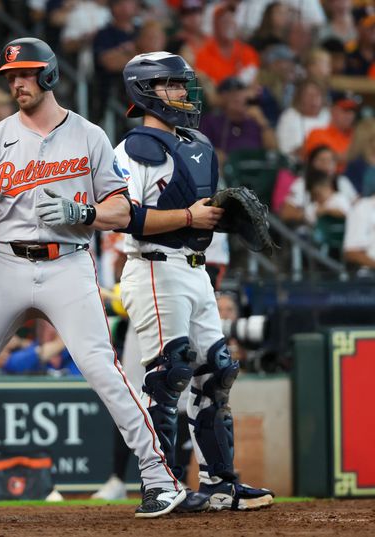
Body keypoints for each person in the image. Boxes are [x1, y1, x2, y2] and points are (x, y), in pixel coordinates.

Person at [0, 37, 186, 520]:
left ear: (49, 75)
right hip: (5, 263)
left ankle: (158, 478)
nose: (16, 83)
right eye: (11, 76)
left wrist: (83, 210)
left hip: (68, 262)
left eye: (25, 74)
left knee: (104, 372)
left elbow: (121, 209)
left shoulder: (89, 135)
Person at [114, 51, 274, 512]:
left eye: (183, 84)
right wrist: (190, 215)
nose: (184, 92)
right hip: (153, 266)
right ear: (146, 90)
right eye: (172, 84)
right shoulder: (134, 149)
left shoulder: (198, 144)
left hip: (195, 267)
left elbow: (199, 215)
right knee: (168, 376)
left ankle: (220, 484)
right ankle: (159, 486)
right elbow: (127, 218)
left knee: (217, 372)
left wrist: (220, 219)